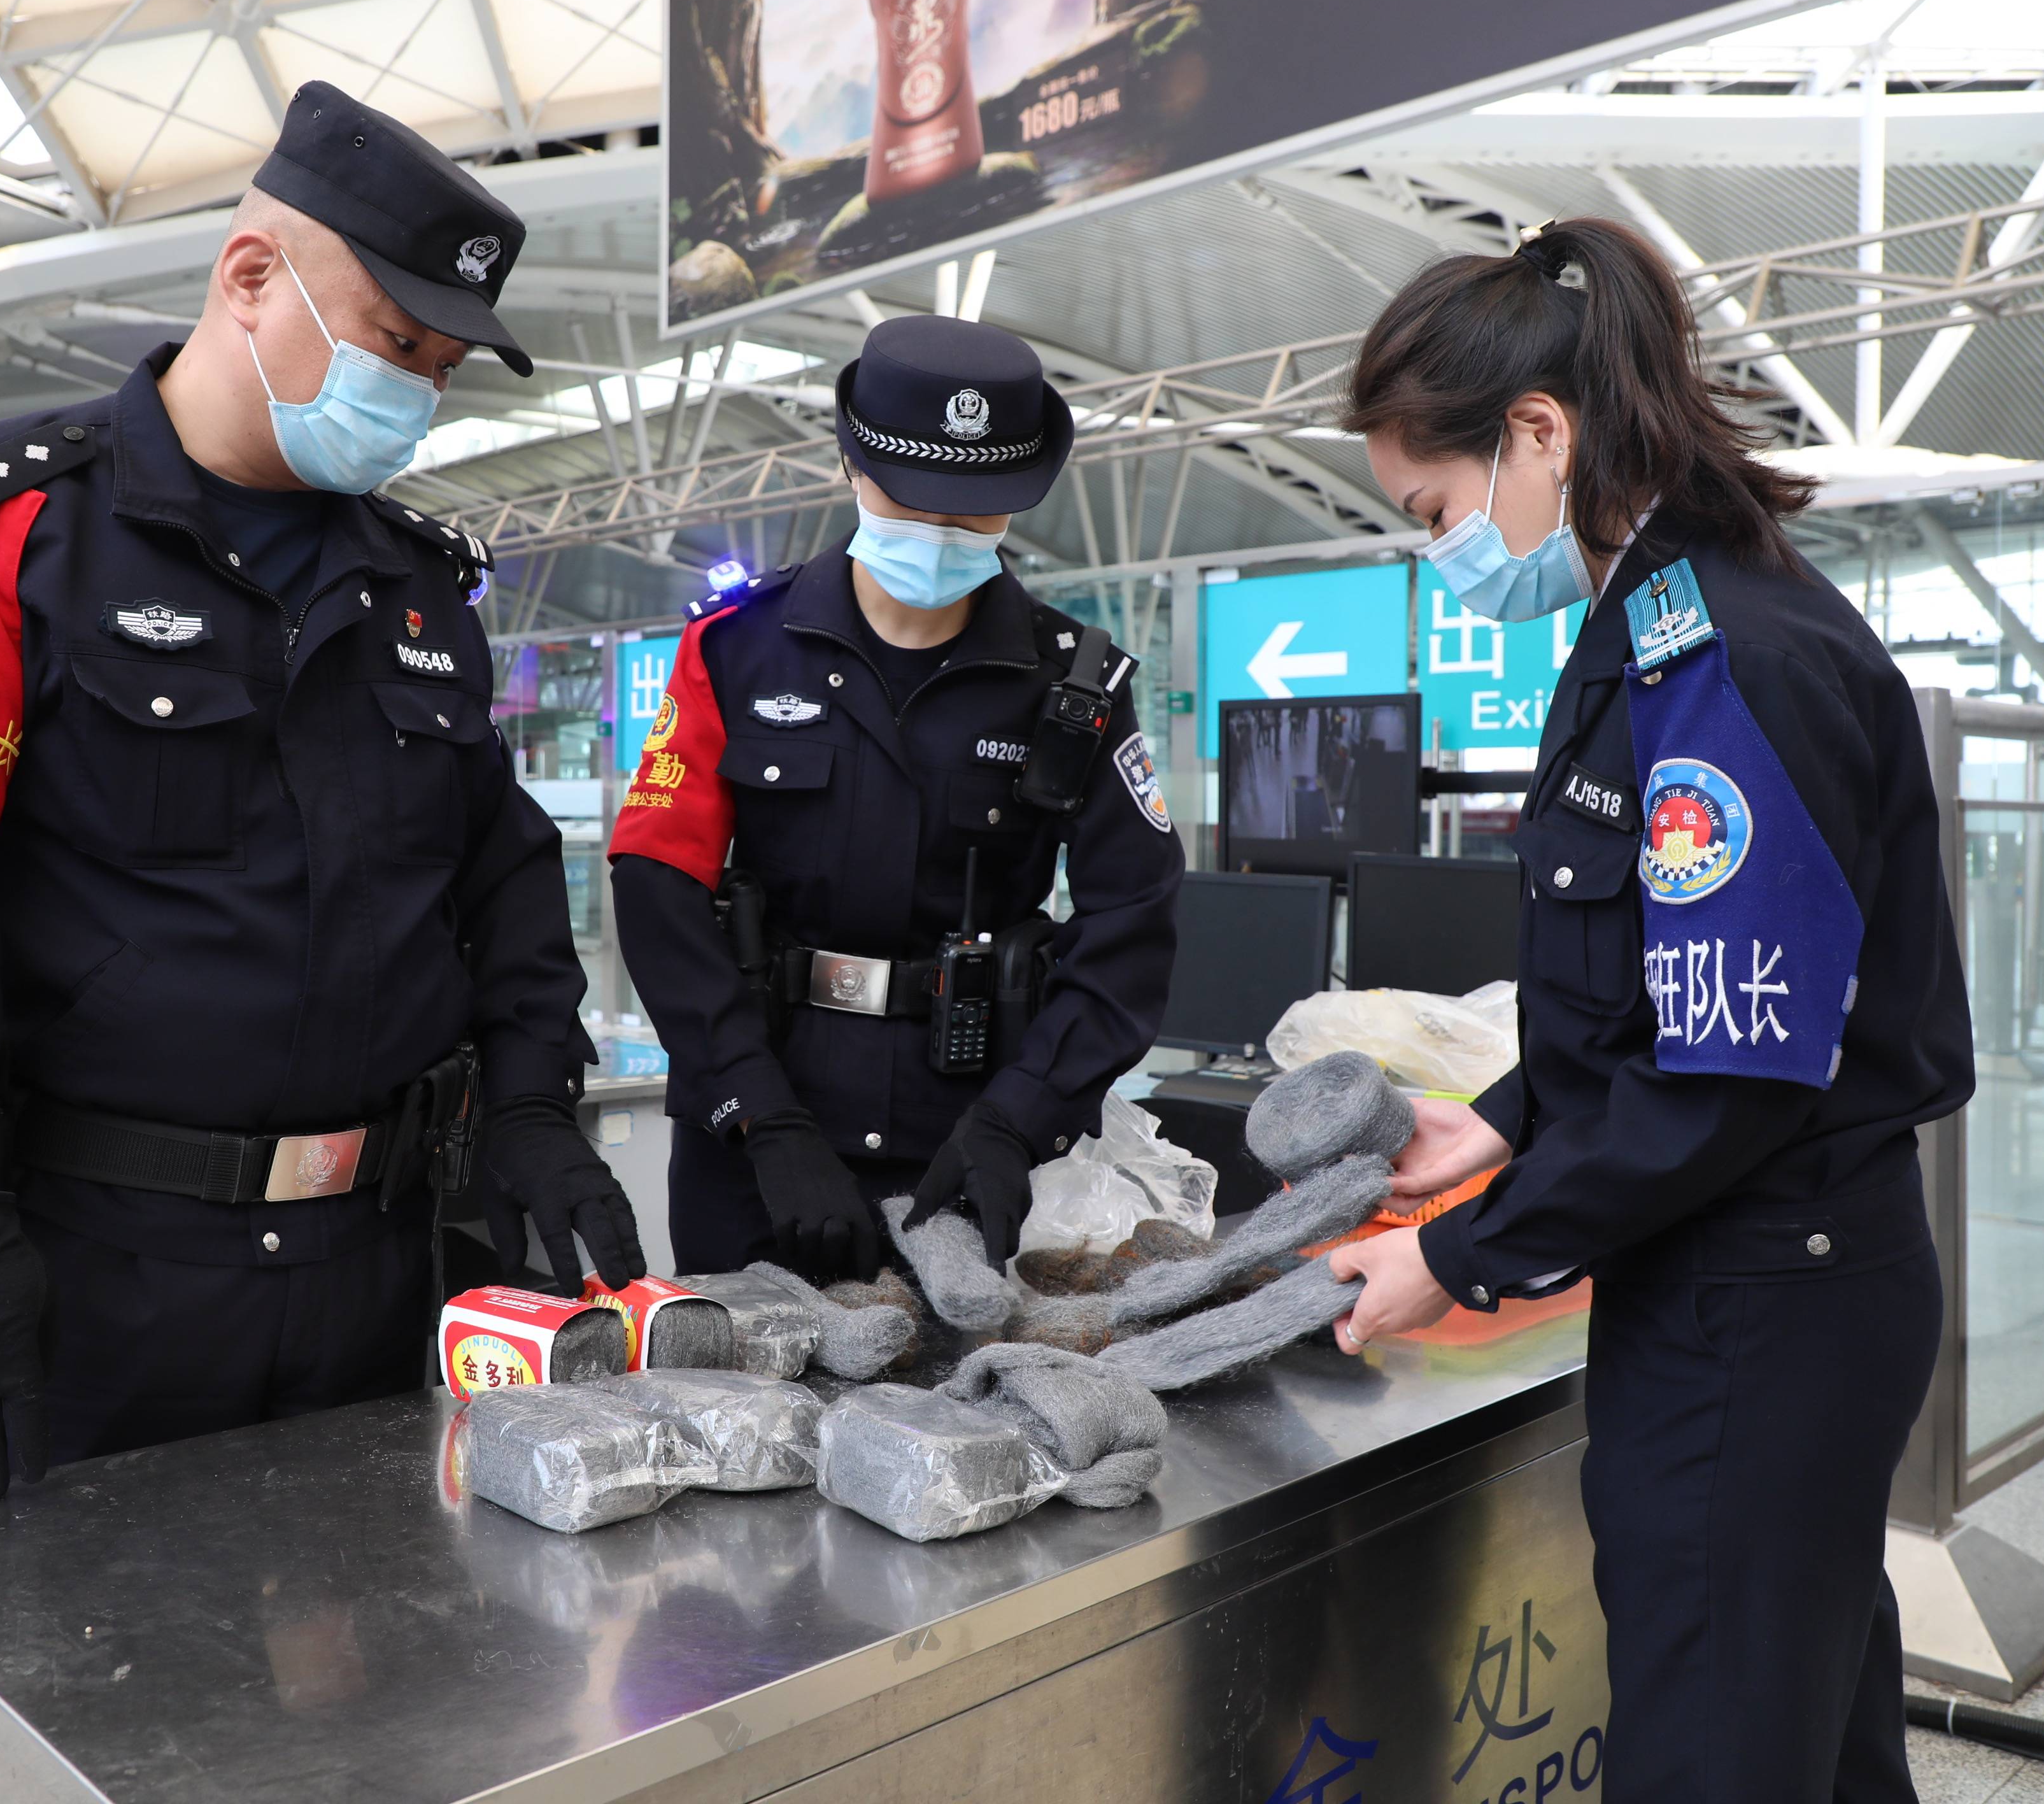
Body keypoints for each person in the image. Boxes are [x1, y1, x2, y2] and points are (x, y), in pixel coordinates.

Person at [0, 83, 642, 1502]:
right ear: (252, 277)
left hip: (378, 1267)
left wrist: (535, 1104)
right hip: (96, 1271)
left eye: (442, 365)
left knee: (377, 1672)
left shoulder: (417, 588)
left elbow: (498, 873)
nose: (418, 393)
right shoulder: (0, 527)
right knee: (81, 1686)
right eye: (395, 341)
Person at [1325, 218, 1971, 1802]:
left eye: (1434, 506)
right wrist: (1489, 1122)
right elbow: (1657, 997)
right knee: (1802, 1731)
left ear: (1536, 434)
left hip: (1759, 1297)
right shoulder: (1652, 632)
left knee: (1710, 1751)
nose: (1441, 546)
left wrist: (1455, 1260)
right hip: (1763, 1277)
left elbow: (1726, 1084)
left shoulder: (1720, 663)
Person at [607, 315, 1183, 1280]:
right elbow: (657, 883)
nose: (940, 532)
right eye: (913, 502)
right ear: (850, 466)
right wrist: (760, 1115)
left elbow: (1135, 918)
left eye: (973, 511)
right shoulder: (734, 652)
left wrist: (1020, 1122)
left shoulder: (1074, 688)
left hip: (962, 1149)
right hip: (753, 1142)